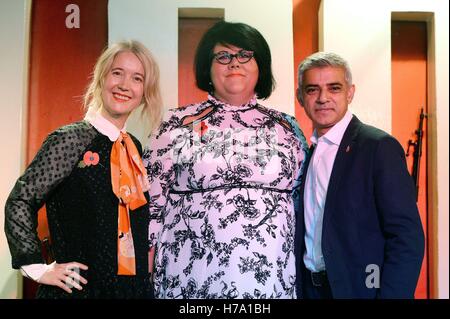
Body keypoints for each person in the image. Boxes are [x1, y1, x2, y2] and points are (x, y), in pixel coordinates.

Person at [144, 21, 308, 299]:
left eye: (245, 55)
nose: (234, 63)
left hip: (269, 277)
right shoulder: (176, 124)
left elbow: (302, 202)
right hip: (190, 274)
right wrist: (142, 275)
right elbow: (152, 204)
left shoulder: (287, 128)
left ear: (261, 65)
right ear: (207, 67)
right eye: (223, 56)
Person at [4, 40, 163, 298]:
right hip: (78, 291)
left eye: (137, 78)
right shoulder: (71, 139)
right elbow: (21, 200)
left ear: (145, 91)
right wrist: (35, 267)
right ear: (101, 78)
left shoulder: (133, 146)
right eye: (117, 73)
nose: (124, 85)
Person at [294, 51, 425, 299]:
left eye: (334, 88)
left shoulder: (378, 147)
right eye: (312, 89)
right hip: (312, 290)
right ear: (300, 96)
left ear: (350, 93)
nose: (323, 98)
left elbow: (407, 237)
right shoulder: (306, 152)